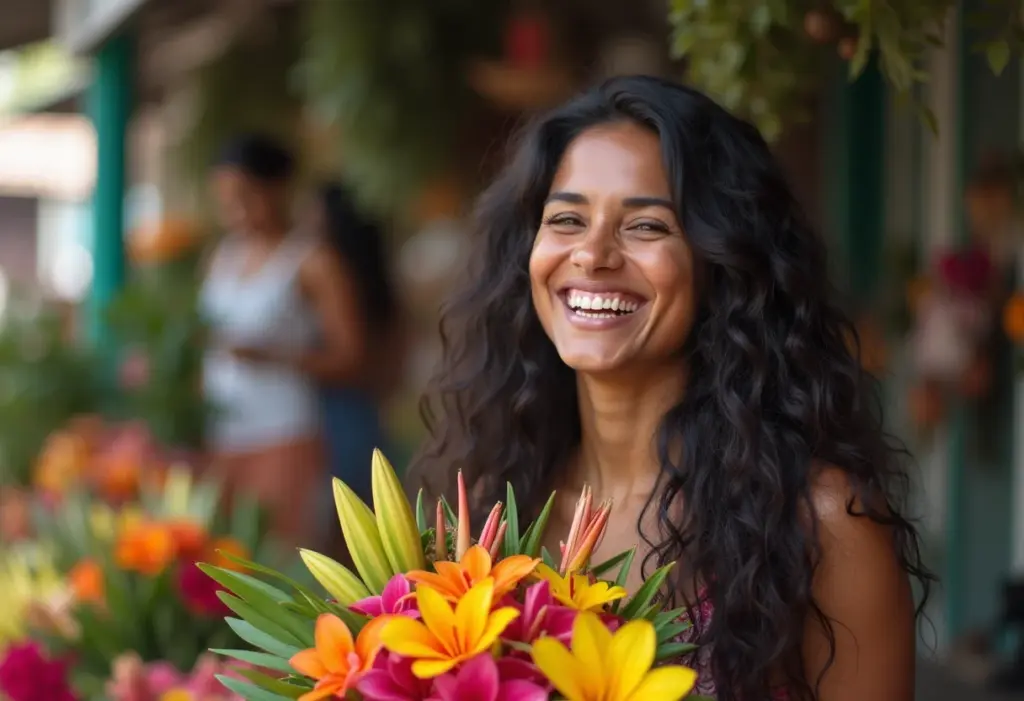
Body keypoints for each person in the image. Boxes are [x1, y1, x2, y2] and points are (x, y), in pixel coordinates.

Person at [411, 75, 932, 701]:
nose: (593, 254)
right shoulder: (489, 512)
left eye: (646, 227)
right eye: (568, 219)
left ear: (722, 262)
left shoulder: (819, 524)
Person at [201, 134, 367, 547]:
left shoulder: (312, 261)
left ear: (276, 188)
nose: (233, 208)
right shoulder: (221, 257)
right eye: (224, 197)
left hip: (283, 430)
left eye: (244, 194)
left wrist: (273, 357)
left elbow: (351, 356)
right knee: (223, 561)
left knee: (278, 560)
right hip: (221, 431)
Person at [311, 182, 403, 505]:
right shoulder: (372, 272)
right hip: (366, 400)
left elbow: (350, 354)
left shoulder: (330, 270)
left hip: (339, 400)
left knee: (344, 499)